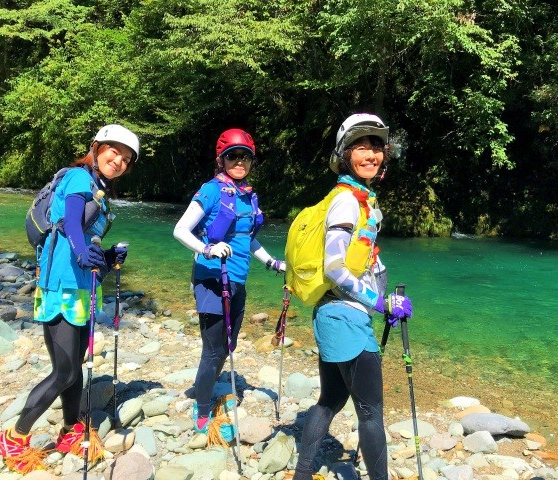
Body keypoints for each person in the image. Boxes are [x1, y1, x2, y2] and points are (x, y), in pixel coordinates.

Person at [0, 124, 140, 473]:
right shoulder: (78, 178)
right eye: (114, 151)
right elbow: (72, 223)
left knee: (75, 369)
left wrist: (108, 257)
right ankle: (14, 438)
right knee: (64, 372)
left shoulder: (102, 196)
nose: (119, 161)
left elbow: (88, 248)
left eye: (126, 159)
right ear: (97, 148)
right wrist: (79, 250)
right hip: (59, 289)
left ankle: (70, 430)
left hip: (83, 291)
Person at [292, 114, 413, 480]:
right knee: (371, 413)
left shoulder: (362, 200)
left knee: (331, 399)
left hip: (333, 314)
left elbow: (366, 258)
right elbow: (335, 268)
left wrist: (383, 297)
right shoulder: (347, 202)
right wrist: (380, 303)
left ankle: (302, 474)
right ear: (344, 155)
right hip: (346, 318)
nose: (371, 154)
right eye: (361, 147)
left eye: (376, 146)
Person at [173, 128, 285, 435]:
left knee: (228, 345)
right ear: (221, 160)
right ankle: (202, 408)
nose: (239, 161)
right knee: (213, 349)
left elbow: (247, 239)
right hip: (212, 279)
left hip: (237, 279)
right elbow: (180, 230)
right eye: (232, 156)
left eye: (245, 157)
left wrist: (272, 262)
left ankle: (205, 388)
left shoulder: (246, 196)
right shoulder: (211, 191)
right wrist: (207, 249)